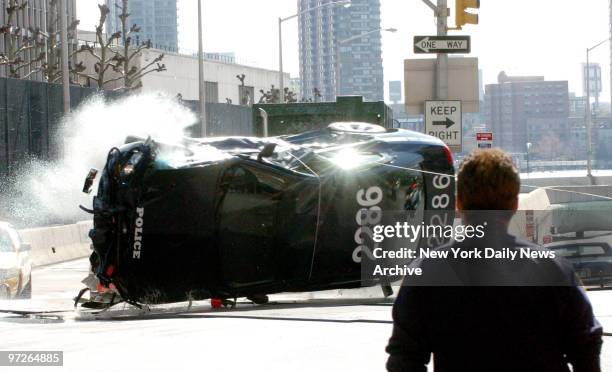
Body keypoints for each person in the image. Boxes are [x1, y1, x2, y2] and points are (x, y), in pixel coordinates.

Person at [386, 149, 603, 372]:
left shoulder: (427, 272)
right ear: (514, 205)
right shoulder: (553, 270)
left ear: (458, 203)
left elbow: (403, 359)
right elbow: (586, 345)